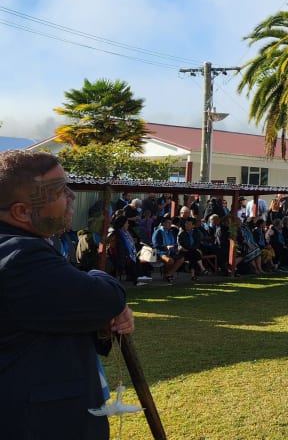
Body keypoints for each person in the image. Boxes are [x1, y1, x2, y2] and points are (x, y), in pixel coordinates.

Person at [0, 150, 135, 439]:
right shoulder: (18, 256)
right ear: (21, 211)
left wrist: (99, 320)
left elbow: (47, 319)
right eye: (60, 190)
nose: (72, 196)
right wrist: (97, 279)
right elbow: (105, 297)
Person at [151, 216, 185, 284]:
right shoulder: (158, 232)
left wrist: (176, 248)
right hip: (159, 252)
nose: (170, 225)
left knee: (181, 259)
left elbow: (175, 243)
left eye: (170, 223)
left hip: (171, 251)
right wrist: (166, 247)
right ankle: (168, 274)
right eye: (168, 223)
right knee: (170, 260)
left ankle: (169, 274)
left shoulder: (171, 232)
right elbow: (155, 245)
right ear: (163, 224)